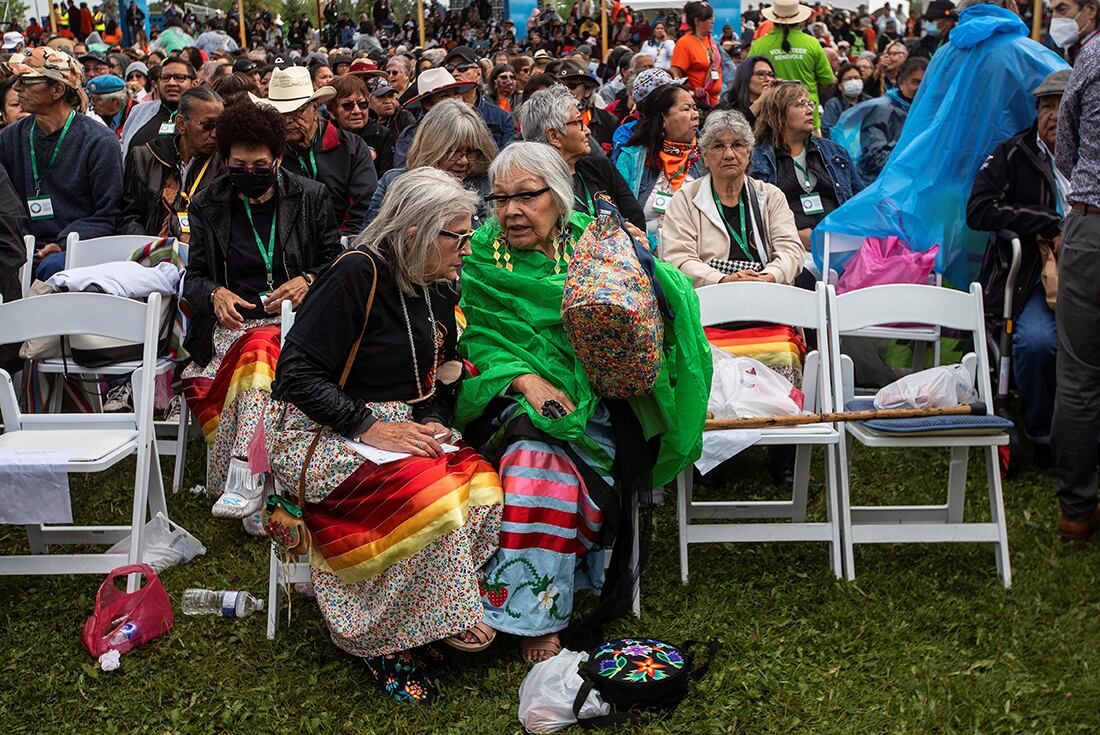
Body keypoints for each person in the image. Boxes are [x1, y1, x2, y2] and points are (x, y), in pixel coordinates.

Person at [455, 142, 710, 664]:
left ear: (559, 195)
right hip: (511, 398)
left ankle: (541, 592)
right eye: (500, 199)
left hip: (605, 401)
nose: (511, 211)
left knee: (558, 460)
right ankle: (535, 614)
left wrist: (646, 264)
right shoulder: (481, 254)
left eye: (526, 196)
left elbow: (647, 316)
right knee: (534, 460)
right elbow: (479, 337)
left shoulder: (600, 241)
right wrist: (524, 379)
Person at [266, 167, 504, 703]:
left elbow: (439, 372)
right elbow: (295, 376)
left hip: (398, 427)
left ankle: (424, 616)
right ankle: (379, 641)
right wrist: (371, 427)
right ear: (416, 233)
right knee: (428, 495)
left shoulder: (436, 283)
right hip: (322, 430)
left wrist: (435, 419)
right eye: (458, 237)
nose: (468, 248)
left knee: (483, 485)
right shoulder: (357, 272)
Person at [812, 1, 1067, 292]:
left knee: (947, 270)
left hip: (943, 185)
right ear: (1009, 4)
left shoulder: (945, 54)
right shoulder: (1027, 53)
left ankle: (953, 313)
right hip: (1009, 188)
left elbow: (922, 119)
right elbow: (1073, 100)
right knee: (1000, 275)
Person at [180, 100, 341, 514]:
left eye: (259, 165)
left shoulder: (310, 197)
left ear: (278, 159)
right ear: (225, 160)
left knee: (262, 349)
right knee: (257, 350)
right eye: (238, 165)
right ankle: (257, 477)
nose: (248, 173)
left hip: (298, 326)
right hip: (233, 329)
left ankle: (244, 474)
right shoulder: (208, 203)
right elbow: (193, 278)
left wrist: (307, 281)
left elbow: (336, 265)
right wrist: (214, 293)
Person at [967, 70, 1069, 462]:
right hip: (1032, 275)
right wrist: (1046, 222)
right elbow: (979, 210)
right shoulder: (1013, 153)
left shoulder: (1091, 155)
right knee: (1038, 343)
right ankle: (1043, 434)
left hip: (1087, 265)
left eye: (1062, 105)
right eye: (1046, 106)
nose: (1053, 115)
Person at [0, 47, 123, 282]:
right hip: (21, 245)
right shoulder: (10, 138)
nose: (16, 87)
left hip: (78, 250)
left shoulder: (98, 141)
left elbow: (109, 214)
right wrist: (22, 241)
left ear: (57, 90)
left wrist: (63, 244)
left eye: (27, 81)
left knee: (51, 269)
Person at [662, 109, 805, 287]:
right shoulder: (685, 199)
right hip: (710, 294)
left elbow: (791, 251)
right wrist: (722, 280)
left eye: (737, 145)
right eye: (718, 146)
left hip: (765, 289)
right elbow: (679, 258)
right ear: (704, 156)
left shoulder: (771, 196)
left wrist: (769, 276)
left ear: (749, 153)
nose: (729, 154)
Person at [1052, 43, 1100, 539]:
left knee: (1080, 375)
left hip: (1091, 225)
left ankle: (1077, 511)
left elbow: (1064, 149)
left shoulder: (1093, 54)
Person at [255, 66, 377, 235]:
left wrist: (338, 242)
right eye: (281, 113)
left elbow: (363, 206)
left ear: (315, 108)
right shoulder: (269, 153)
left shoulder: (351, 147)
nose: (288, 120)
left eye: (297, 111)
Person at [750, 81, 864, 253]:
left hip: (839, 243)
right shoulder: (758, 158)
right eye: (800, 104)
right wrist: (792, 236)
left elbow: (859, 199)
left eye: (810, 104)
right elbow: (752, 216)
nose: (810, 110)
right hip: (787, 249)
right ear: (778, 113)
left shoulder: (834, 152)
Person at [519, 85, 645, 229]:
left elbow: (635, 218)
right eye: (579, 122)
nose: (587, 131)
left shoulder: (600, 169)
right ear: (554, 136)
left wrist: (634, 236)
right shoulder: (533, 189)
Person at [364, 99, 496, 227]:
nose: (464, 161)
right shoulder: (394, 183)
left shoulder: (487, 185)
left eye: (471, 152)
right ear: (431, 147)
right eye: (453, 151)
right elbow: (371, 237)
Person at [120, 87, 223, 240]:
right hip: (151, 248)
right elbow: (129, 216)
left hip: (202, 250)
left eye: (221, 125)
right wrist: (149, 247)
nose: (215, 134)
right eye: (207, 126)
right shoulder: (144, 157)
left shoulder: (224, 163)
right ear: (181, 124)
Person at [616, 82, 705, 236]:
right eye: (686, 109)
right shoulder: (631, 159)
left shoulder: (706, 157)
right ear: (663, 118)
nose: (695, 115)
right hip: (645, 248)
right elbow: (618, 216)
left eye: (695, 108)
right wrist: (652, 244)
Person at [831, 56, 927, 182]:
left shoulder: (931, 111)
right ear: (901, 82)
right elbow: (875, 158)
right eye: (915, 82)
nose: (921, 88)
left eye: (925, 83)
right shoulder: (882, 111)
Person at [749, 0, 836, 131]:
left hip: (772, 117)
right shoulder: (812, 43)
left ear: (773, 18)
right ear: (799, 18)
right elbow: (827, 80)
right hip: (807, 116)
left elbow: (748, 78)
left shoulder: (759, 44)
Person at [120, 57, 198, 158]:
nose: (171, 83)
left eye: (179, 77)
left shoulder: (203, 117)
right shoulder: (139, 111)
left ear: (195, 84)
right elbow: (123, 146)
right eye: (165, 77)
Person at [552, 60, 619, 156]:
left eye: (572, 86)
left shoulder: (608, 120)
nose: (566, 91)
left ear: (588, 90)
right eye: (561, 86)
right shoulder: (549, 121)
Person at [671, 0, 723, 109]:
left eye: (712, 17)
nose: (713, 21)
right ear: (697, 21)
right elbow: (675, 74)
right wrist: (689, 95)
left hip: (715, 102)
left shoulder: (711, 41)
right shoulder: (684, 43)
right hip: (696, 104)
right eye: (708, 18)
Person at [719, 55, 776, 128]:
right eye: (761, 74)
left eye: (771, 75)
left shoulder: (775, 105)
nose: (768, 79)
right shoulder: (726, 106)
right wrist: (760, 101)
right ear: (746, 77)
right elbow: (737, 129)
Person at [823, 62, 871, 134]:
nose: (854, 82)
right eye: (849, 79)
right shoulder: (834, 105)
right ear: (840, 86)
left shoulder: (869, 102)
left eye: (856, 78)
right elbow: (828, 131)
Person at [1049, 0, 1100, 65]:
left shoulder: (1095, 53)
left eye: (1062, 9)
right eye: (1051, 12)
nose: (1054, 17)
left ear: (1091, 10)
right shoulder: (1074, 49)